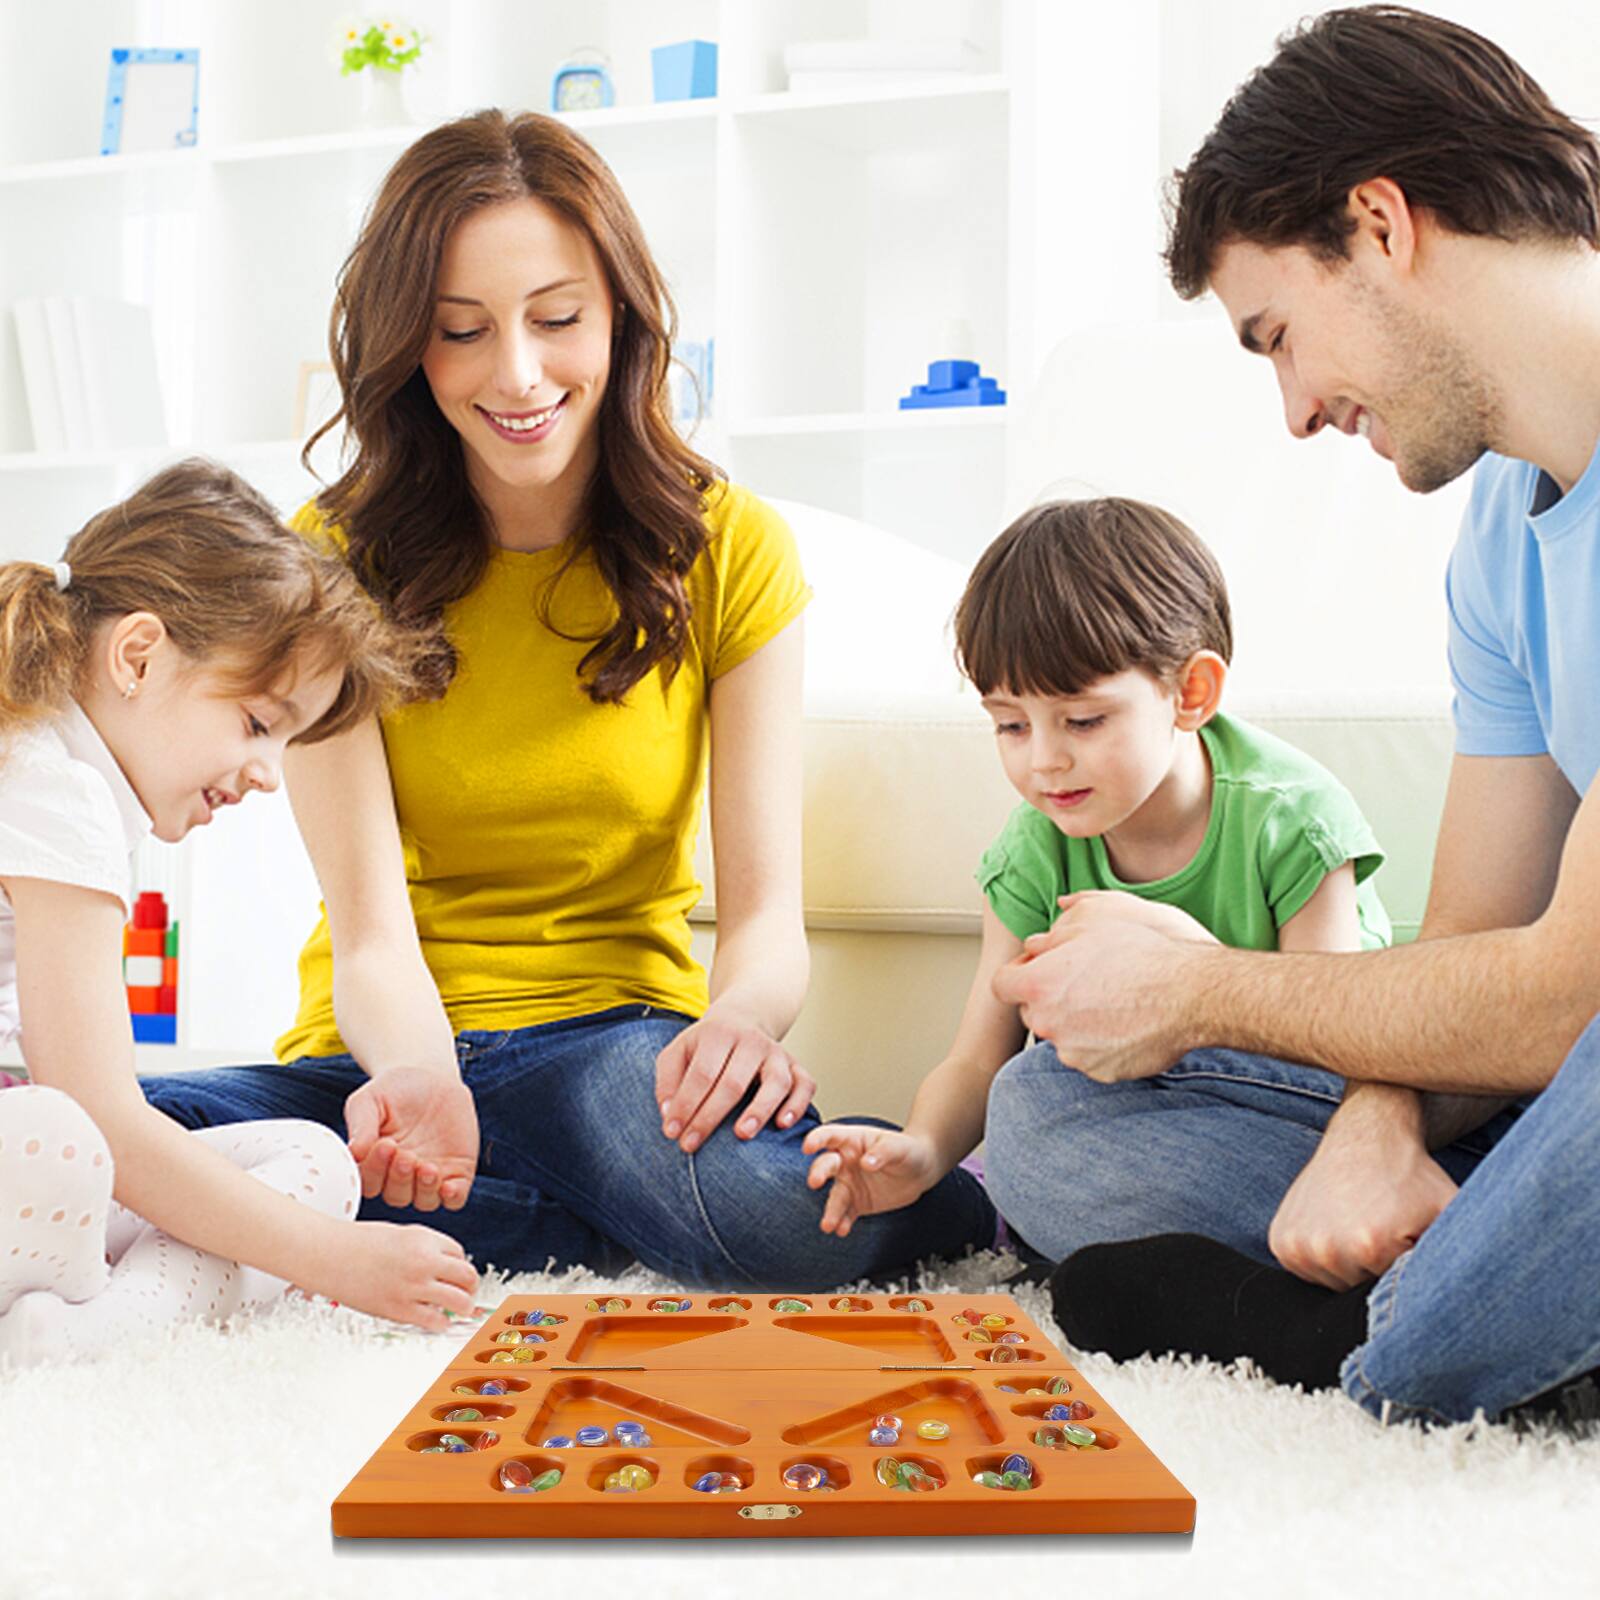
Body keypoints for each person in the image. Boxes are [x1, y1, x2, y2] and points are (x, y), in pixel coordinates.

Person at [138, 109, 995, 1287]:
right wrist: (423, 1080)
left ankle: (457, 1216)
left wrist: (739, 1025)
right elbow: (372, 929)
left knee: (774, 1220)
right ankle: (557, 1220)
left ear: (622, 319)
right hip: (384, 1061)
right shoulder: (330, 559)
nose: (519, 375)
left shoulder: (728, 546)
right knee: (105, 1140)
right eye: (461, 331)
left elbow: (762, 920)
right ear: (409, 346)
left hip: (613, 1059)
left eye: (557, 320)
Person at [987, 6, 1600, 1428]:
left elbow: (1565, 990)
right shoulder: (1507, 531)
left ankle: (1376, 1341)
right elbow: (1474, 943)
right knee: (1049, 1123)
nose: (1296, 410)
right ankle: (1508, 1292)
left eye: (1277, 335)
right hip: (1554, 1063)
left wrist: (1202, 990)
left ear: (1378, 225)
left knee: (1472, 1271)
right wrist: (1379, 1131)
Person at [802, 496, 1389, 1237]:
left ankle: (1250, 1246)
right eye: (1010, 725)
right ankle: (1228, 1257)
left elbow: (1333, 1050)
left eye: (1082, 721)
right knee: (1027, 1107)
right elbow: (979, 1059)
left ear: (1191, 694)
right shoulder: (1034, 848)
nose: (1044, 758)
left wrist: (1182, 962)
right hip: (1149, 1124)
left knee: (1042, 1131)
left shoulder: (1292, 820)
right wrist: (920, 1152)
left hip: (1309, 1116)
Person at [0, 460, 479, 1366]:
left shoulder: (76, 782)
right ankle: (60, 1339)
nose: (267, 772)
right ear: (137, 655)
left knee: (312, 1158)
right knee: (66, 1141)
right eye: (261, 725)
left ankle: (68, 1327)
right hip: (40, 1145)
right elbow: (101, 1116)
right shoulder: (51, 788)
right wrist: (339, 1262)